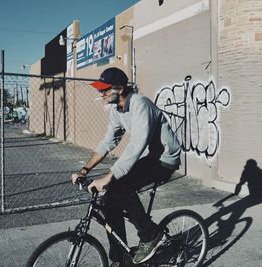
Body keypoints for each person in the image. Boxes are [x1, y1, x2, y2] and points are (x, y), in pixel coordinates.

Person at [71, 67, 181, 266]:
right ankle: (120, 258)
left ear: (119, 88)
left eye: (104, 90)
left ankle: (151, 235)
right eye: (100, 90)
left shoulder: (140, 104)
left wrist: (108, 176)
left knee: (120, 187)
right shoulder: (117, 111)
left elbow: (138, 143)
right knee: (108, 201)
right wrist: (85, 170)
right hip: (150, 158)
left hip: (164, 159)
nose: (101, 94)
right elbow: (108, 142)